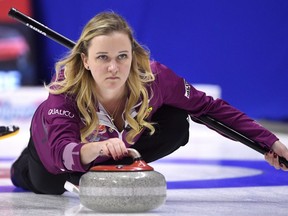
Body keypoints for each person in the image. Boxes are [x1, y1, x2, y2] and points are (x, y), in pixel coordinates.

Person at [10, 11, 288, 195]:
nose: (113, 68)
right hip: (55, 148)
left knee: (178, 122)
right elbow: (60, 151)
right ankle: (25, 164)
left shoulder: (154, 78)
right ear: (85, 60)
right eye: (103, 57)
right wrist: (96, 148)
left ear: (133, 55)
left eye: (122, 56)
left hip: (108, 148)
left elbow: (210, 109)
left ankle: (108, 164)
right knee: (50, 184)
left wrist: (269, 142)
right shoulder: (65, 88)